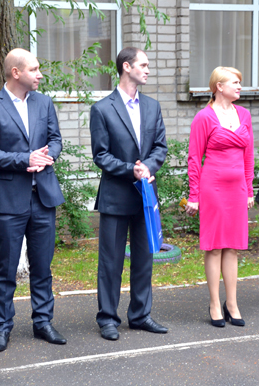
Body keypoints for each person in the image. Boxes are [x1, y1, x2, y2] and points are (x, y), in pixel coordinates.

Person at [0, 48, 66, 352]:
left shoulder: (44, 102)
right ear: (16, 72)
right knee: (6, 267)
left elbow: (55, 139)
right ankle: (2, 327)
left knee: (42, 266)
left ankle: (43, 322)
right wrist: (25, 158)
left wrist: (48, 156)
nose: (39, 74)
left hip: (43, 197)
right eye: (34, 69)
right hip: (9, 199)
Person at [90, 46, 168, 341]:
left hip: (145, 196)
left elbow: (160, 146)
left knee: (144, 258)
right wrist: (129, 169)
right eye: (143, 65)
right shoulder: (102, 109)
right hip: (115, 195)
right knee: (111, 262)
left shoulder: (152, 106)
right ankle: (108, 318)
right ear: (126, 67)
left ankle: (140, 315)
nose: (148, 69)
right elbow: (101, 155)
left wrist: (148, 167)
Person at [185, 67, 254, 328]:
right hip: (212, 188)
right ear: (219, 87)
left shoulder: (244, 114)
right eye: (235, 82)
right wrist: (194, 195)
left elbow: (249, 155)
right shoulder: (204, 117)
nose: (239, 86)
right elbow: (194, 158)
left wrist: (249, 190)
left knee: (232, 247)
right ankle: (215, 303)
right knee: (214, 247)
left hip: (237, 189)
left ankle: (232, 303)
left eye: (240, 82)